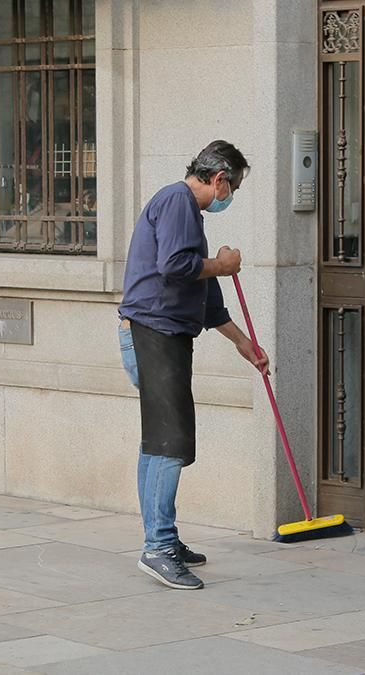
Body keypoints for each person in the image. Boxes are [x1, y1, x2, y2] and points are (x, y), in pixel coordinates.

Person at [117, 140, 269, 590]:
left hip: (157, 333)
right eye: (234, 187)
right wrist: (221, 264)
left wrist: (244, 344)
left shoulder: (183, 210)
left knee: (157, 442)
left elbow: (206, 299)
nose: (231, 196)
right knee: (171, 443)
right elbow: (177, 266)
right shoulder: (177, 201)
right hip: (153, 334)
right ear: (220, 179)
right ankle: (158, 548)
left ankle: (162, 538)